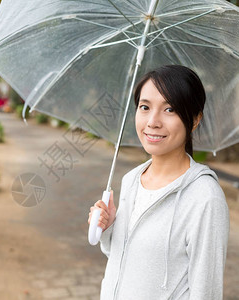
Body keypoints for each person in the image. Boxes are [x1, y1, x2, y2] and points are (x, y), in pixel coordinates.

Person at [88, 65, 229, 299]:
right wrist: (108, 228)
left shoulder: (205, 198)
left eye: (170, 109)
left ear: (194, 119)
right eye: (145, 107)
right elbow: (124, 260)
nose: (152, 121)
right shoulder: (132, 179)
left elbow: (207, 290)